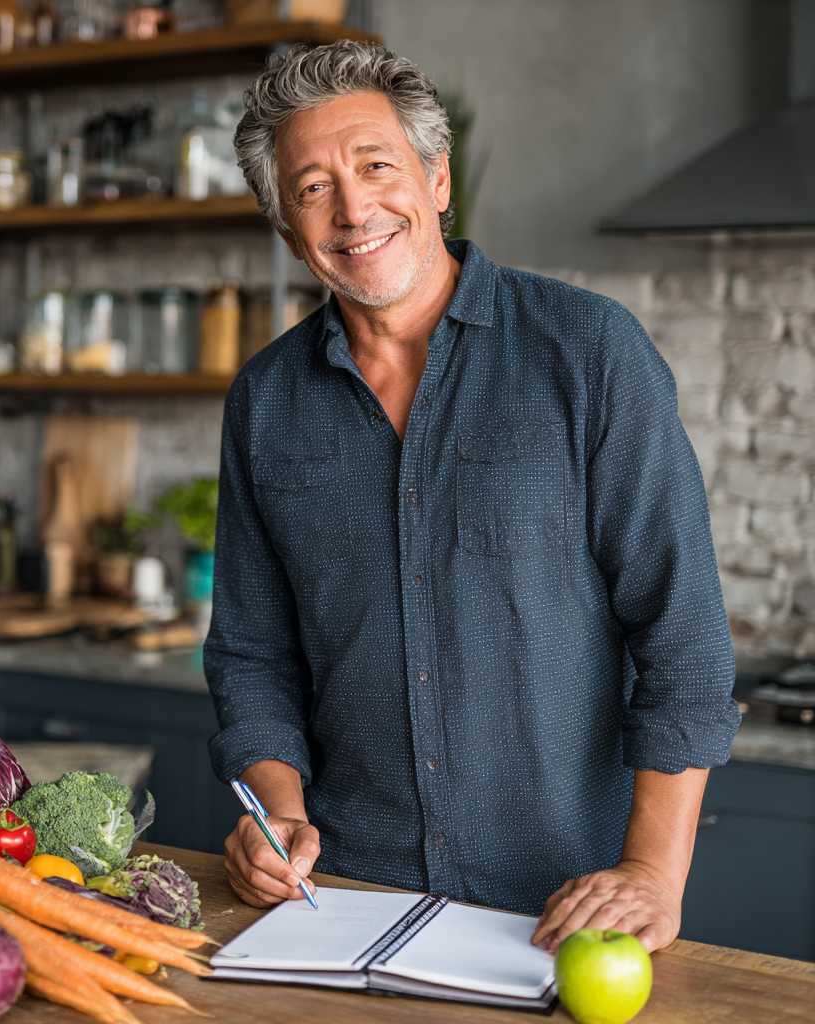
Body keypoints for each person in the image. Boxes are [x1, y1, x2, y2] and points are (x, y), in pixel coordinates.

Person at [203, 40, 739, 954]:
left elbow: (682, 635)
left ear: (438, 181)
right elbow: (252, 653)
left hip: (566, 909)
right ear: (290, 230)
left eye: (376, 166)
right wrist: (276, 813)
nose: (353, 207)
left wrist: (653, 873)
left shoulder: (591, 354)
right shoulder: (265, 402)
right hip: (340, 904)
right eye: (312, 187)